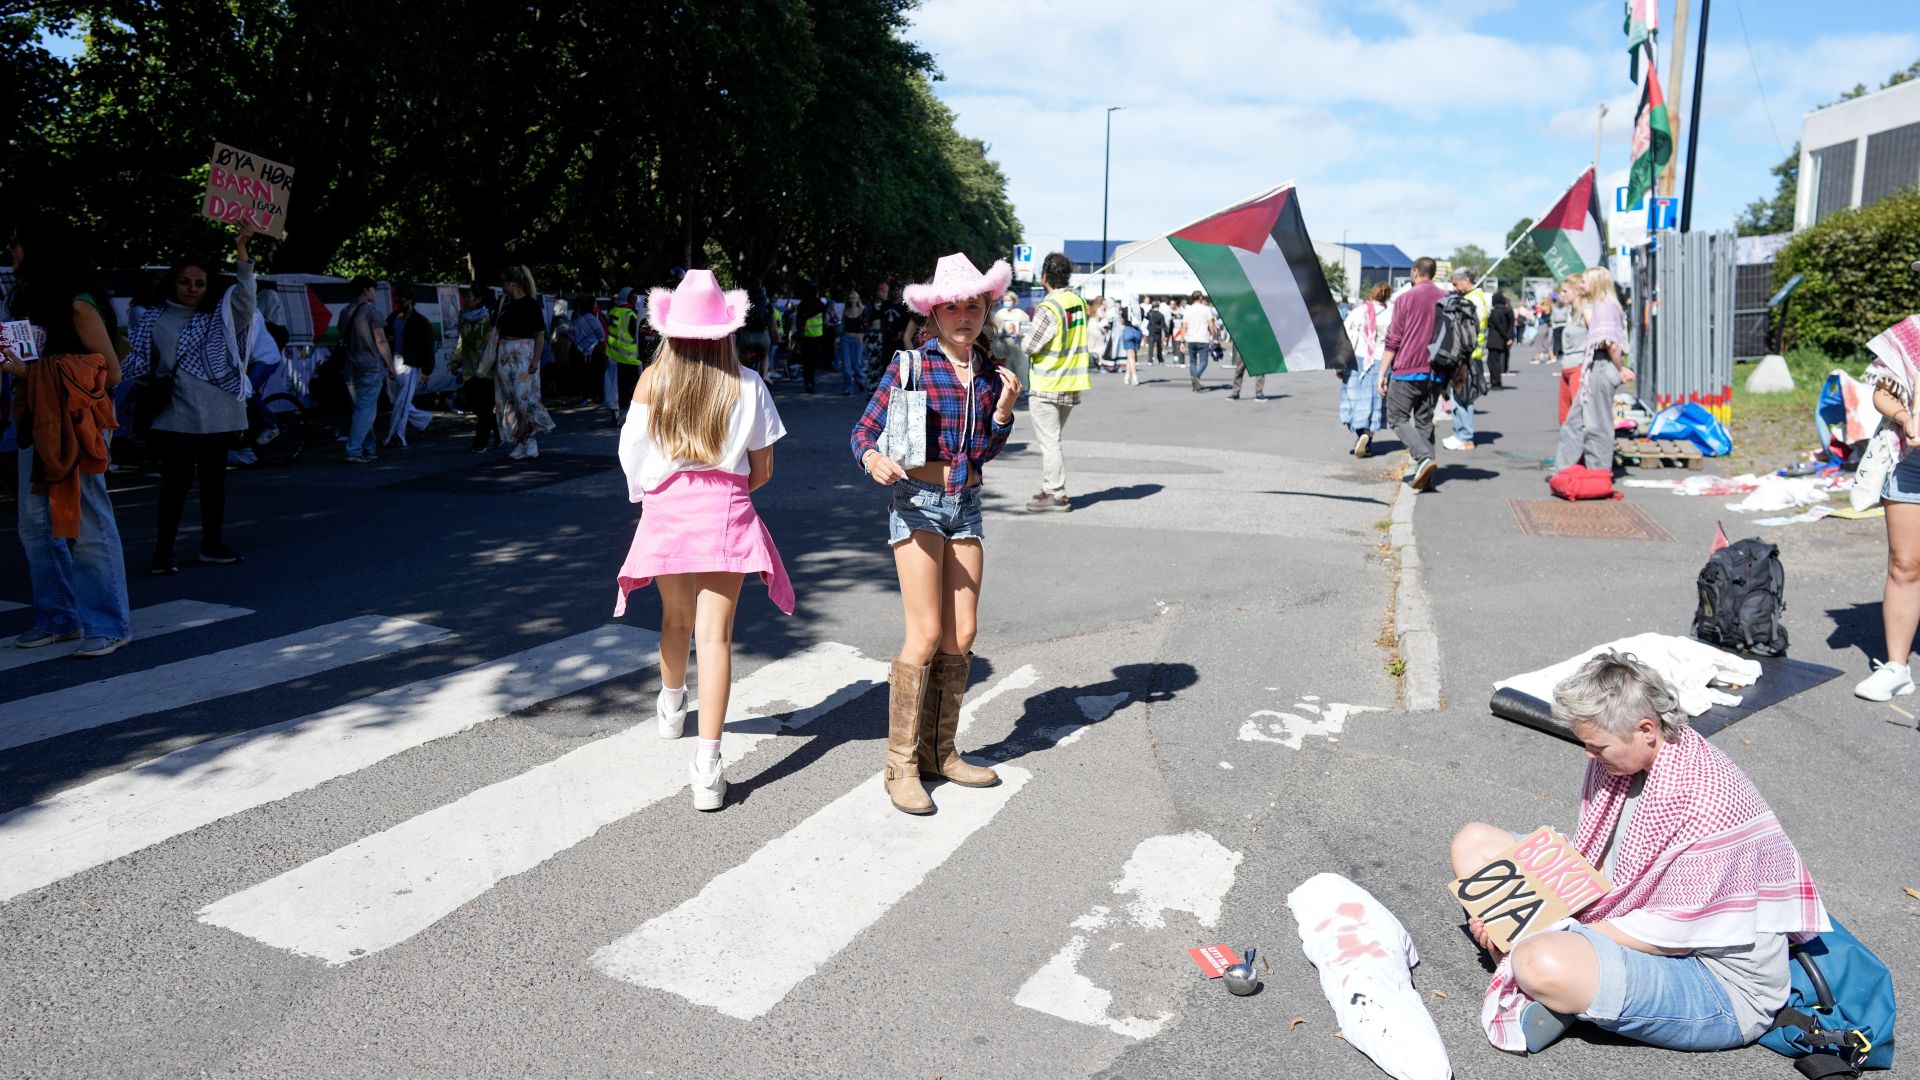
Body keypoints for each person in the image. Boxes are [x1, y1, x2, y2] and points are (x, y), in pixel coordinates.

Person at [1453, 652, 1827, 1055]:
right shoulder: (1623, 760)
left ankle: (1554, 980)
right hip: (1622, 911)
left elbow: (1669, 933)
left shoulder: (1707, 801)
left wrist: (1530, 926)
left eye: (1597, 746)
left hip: (1711, 980)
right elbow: (1590, 858)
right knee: (1472, 843)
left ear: (1646, 729)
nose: (1588, 755)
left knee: (1539, 960)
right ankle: (1564, 987)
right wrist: (1503, 915)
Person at [851, 252, 1021, 815]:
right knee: (924, 633)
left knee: (963, 632)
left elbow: (985, 454)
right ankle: (899, 764)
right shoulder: (912, 367)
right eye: (953, 307)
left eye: (974, 305)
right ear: (935, 314)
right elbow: (864, 432)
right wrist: (873, 458)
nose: (964, 315)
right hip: (918, 506)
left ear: (985, 310)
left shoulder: (993, 374)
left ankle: (939, 752)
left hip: (966, 506)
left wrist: (1003, 413)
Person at [615, 270, 791, 812]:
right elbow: (763, 467)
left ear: (669, 331)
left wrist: (651, 495)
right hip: (726, 512)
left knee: (674, 619)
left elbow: (632, 458)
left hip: (669, 510)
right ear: (726, 331)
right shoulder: (749, 384)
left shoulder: (650, 382)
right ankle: (709, 769)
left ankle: (671, 708)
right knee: (715, 638)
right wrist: (730, 488)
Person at [1, 220, 133, 657]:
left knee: (89, 524)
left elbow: (111, 372)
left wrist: (29, 372)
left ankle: (110, 624)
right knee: (36, 525)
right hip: (37, 420)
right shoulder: (28, 300)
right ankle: (59, 619)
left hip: (79, 425)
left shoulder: (79, 304)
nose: (12, 252)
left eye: (16, 243)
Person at [123, 225, 257, 573]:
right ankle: (162, 554)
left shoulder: (222, 318)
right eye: (185, 281)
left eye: (200, 283)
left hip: (219, 415)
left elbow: (245, 299)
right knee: (174, 488)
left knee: (215, 485)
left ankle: (211, 545)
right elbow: (137, 364)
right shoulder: (153, 319)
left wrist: (242, 251)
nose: (193, 289)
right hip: (174, 416)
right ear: (173, 282)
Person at [1852, 307, 1920, 700]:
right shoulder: (1910, 333)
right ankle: (1897, 667)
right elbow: (1882, 391)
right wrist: (1903, 416)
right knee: (1905, 564)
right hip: (1911, 464)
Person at [1018, 252, 1089, 513]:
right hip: (1072, 381)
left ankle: (1056, 494)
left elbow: (1029, 345)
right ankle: (1050, 488)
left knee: (1050, 442)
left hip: (1048, 382)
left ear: (1044, 276)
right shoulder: (1078, 302)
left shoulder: (1049, 308)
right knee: (1054, 439)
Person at [1379, 257, 1447, 491]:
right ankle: (1426, 477)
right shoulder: (1447, 298)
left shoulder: (1406, 298)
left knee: (1397, 416)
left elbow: (1394, 337)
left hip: (1409, 367)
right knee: (1425, 421)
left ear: (1416, 272)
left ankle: (1423, 459)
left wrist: (1382, 372)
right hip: (1437, 371)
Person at [1555, 267, 1631, 472]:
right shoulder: (1602, 306)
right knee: (1575, 421)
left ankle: (1597, 473)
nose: (1581, 285)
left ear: (1596, 283)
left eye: (1585, 282)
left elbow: (1611, 344)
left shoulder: (1603, 307)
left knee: (1596, 424)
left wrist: (1621, 368)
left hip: (1601, 365)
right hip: (1595, 366)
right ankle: (1565, 470)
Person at [494, 264, 555, 460]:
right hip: (504, 354)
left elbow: (539, 335)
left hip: (524, 354)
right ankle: (521, 440)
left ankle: (530, 439)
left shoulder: (531, 304)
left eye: (504, 282)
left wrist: (536, 359)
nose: (502, 286)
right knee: (507, 400)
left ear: (512, 283)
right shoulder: (503, 303)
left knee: (523, 399)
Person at [335, 275, 393, 463]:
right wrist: (391, 365)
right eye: (373, 289)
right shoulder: (372, 312)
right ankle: (354, 450)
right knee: (366, 410)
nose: (374, 292)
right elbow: (381, 341)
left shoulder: (345, 312)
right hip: (370, 365)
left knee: (359, 409)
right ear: (366, 290)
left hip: (350, 366)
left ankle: (369, 447)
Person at [1340, 282, 1392, 456]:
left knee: (1353, 401)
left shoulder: (1357, 312)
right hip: (1381, 362)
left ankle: (1361, 434)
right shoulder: (1392, 314)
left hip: (1357, 360)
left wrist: (1340, 364)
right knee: (1375, 404)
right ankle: (1367, 440)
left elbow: (1344, 337)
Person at [1442, 267, 1489, 453]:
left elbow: (1466, 330)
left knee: (1463, 397)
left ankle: (1465, 437)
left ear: (1466, 280)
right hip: (1469, 356)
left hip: (1468, 357)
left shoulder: (1473, 299)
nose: (1454, 288)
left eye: (1455, 283)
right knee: (1459, 397)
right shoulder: (1475, 297)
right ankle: (1460, 434)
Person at [384, 287, 436, 448]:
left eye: (402, 300)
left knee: (401, 401)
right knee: (397, 401)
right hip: (393, 362)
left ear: (411, 300)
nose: (399, 303)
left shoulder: (421, 321)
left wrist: (427, 370)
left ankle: (396, 436)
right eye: (397, 300)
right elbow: (386, 338)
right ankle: (424, 419)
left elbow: (428, 347)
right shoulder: (392, 318)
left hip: (409, 364)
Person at [452, 284, 500, 452]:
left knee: (484, 407)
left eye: (470, 298)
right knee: (479, 409)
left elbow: (492, 344)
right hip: (469, 371)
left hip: (486, 371)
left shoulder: (489, 320)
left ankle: (480, 442)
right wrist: (454, 361)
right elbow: (461, 344)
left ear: (479, 300)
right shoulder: (465, 319)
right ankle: (499, 434)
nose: (466, 301)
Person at [605, 287, 643, 424]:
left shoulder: (614, 311)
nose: (635, 300)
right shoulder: (631, 314)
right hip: (629, 359)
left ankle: (618, 415)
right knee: (632, 391)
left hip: (613, 355)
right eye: (633, 298)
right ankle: (629, 418)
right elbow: (636, 335)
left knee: (616, 389)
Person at [1555, 275, 1589, 425]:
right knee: (1565, 417)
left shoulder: (1586, 312)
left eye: (1565, 291)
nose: (1562, 295)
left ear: (1577, 291)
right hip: (1567, 366)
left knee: (1578, 417)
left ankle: (1583, 448)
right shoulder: (1572, 313)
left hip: (1579, 367)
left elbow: (1599, 339)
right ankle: (1570, 447)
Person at [990, 291, 1031, 394]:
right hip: (1003, 346)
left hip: (1017, 346)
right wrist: (999, 333)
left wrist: (1020, 333)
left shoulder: (1021, 314)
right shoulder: (1000, 313)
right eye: (1005, 300)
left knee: (1020, 367)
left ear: (1014, 301)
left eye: (1009, 300)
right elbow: (994, 329)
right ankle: (1006, 390)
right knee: (1006, 369)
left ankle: (1022, 391)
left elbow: (1027, 329)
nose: (1007, 302)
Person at [794, 284, 830, 393]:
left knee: (806, 361)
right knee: (812, 361)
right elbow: (824, 321)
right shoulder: (821, 305)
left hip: (805, 336)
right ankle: (811, 382)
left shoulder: (802, 305)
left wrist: (798, 335)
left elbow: (798, 321)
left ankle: (807, 383)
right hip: (817, 336)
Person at [1181, 290, 1218, 391]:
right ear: (1200, 297)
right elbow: (1210, 324)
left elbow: (1184, 326)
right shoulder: (1206, 309)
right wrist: (1214, 335)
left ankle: (1195, 383)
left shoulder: (1188, 310)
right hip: (1203, 338)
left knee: (1192, 362)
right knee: (1204, 362)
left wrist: (1182, 341)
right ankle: (1196, 377)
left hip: (1191, 338)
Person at [838, 289, 868, 395]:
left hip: (857, 340)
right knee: (846, 366)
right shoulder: (845, 310)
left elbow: (866, 325)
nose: (851, 300)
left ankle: (861, 380)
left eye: (853, 298)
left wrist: (862, 334)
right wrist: (837, 337)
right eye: (850, 298)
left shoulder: (862, 309)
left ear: (857, 299)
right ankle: (847, 388)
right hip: (845, 339)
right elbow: (841, 325)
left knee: (857, 364)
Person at [1486, 290, 1515, 389]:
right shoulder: (1506, 310)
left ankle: (1496, 382)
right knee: (1496, 362)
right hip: (1500, 340)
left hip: (1495, 339)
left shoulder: (1496, 311)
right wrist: (1509, 337)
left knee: (1493, 362)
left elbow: (1498, 325)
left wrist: (1506, 337)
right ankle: (1496, 381)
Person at [1120, 309, 1143, 386]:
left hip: (1128, 330)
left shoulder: (1125, 309)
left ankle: (1134, 377)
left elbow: (1122, 322)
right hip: (1137, 331)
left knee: (1130, 357)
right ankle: (1127, 376)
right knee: (1132, 357)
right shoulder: (1140, 309)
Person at [1145, 299, 1167, 367]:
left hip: (1151, 332)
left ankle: (1150, 360)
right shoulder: (1161, 315)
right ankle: (1160, 360)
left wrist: (1150, 309)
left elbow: (1146, 317)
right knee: (1159, 347)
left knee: (1151, 347)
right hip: (1158, 332)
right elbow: (1164, 325)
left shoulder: (1150, 313)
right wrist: (1166, 333)